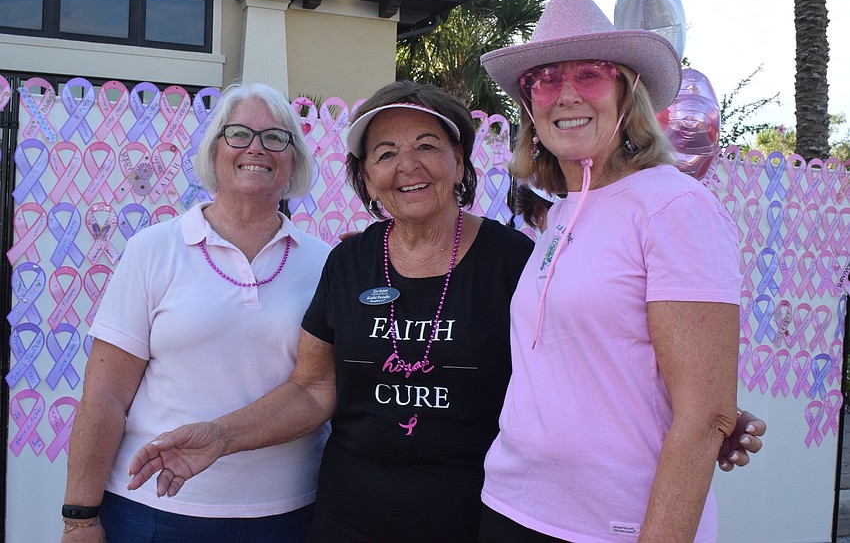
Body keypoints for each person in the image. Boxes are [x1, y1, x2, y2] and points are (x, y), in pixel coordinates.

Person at [125, 80, 764, 542]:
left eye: (428, 146)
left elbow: (580, 362)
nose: (407, 166)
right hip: (348, 518)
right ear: (365, 178)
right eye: (384, 153)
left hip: (478, 517)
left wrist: (700, 408)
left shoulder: (516, 259)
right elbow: (314, 388)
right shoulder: (347, 262)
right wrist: (220, 436)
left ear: (460, 163)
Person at [477, 0, 745, 541]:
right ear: (529, 105)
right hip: (511, 506)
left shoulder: (675, 207)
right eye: (545, 79)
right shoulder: (561, 213)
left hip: (614, 524)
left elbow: (704, 416)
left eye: (591, 74)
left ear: (628, 92)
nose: (566, 93)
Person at [60, 83, 330, 542]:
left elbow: (321, 389)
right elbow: (105, 394)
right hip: (154, 512)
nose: (256, 148)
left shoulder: (325, 263)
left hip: (289, 514)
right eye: (238, 133)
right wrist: (79, 518)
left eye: (275, 137)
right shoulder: (152, 250)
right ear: (213, 151)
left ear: (294, 160)